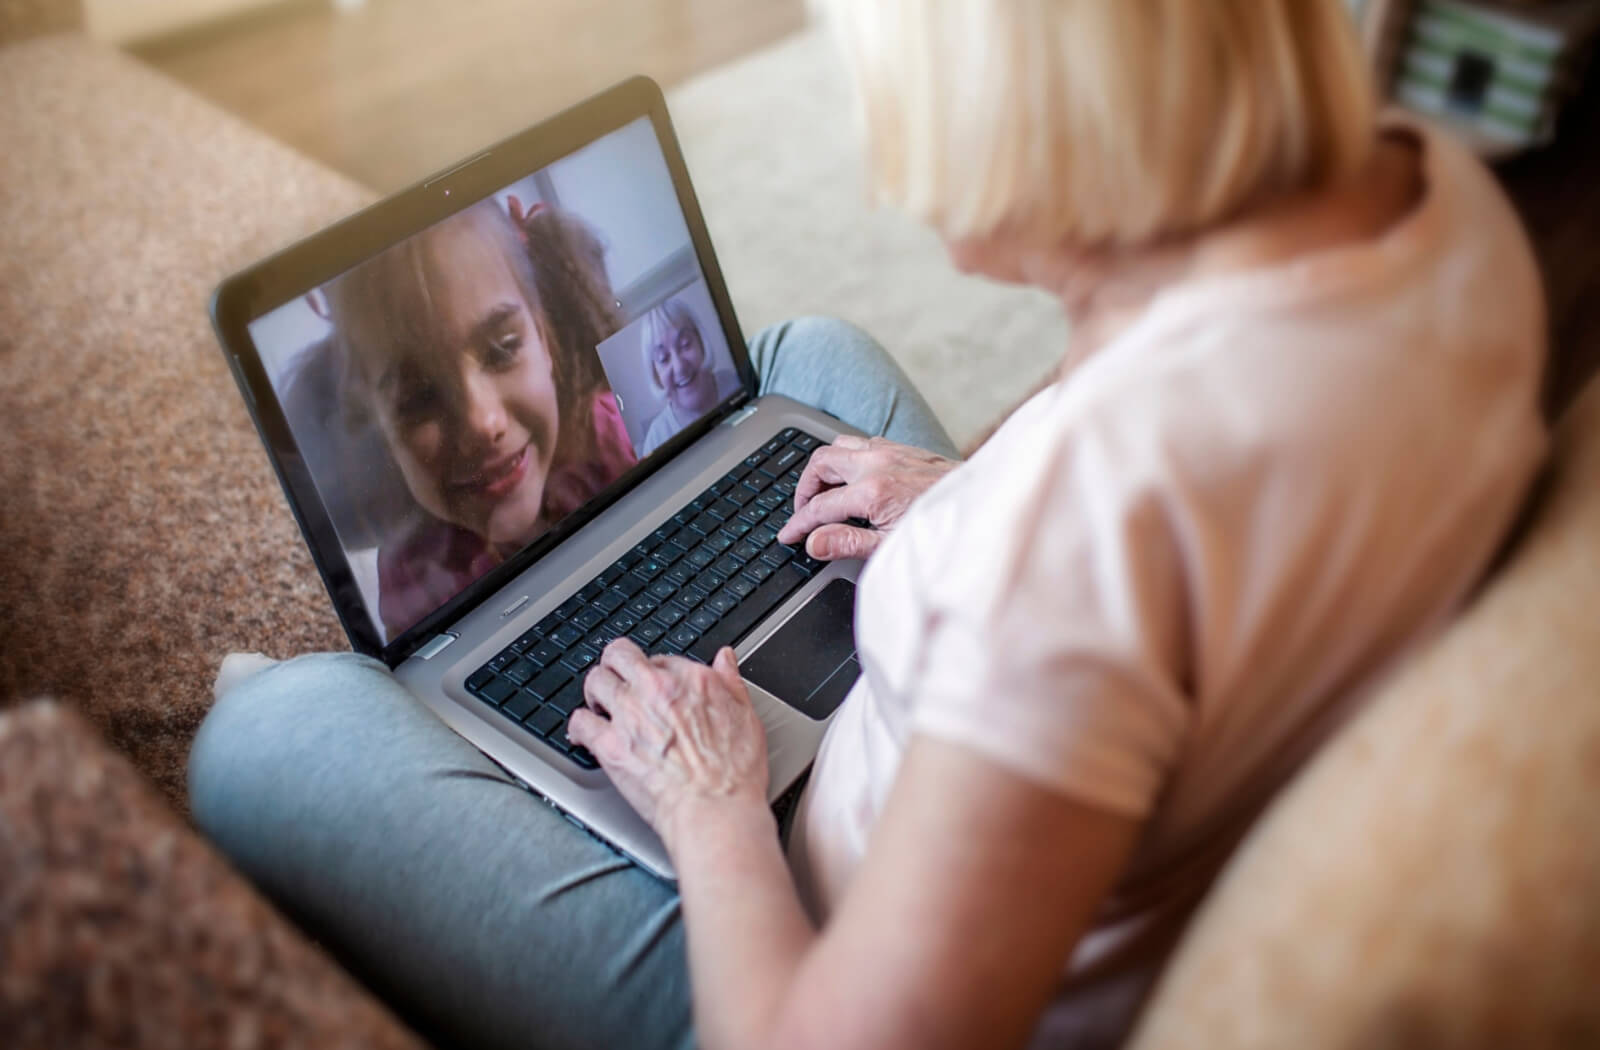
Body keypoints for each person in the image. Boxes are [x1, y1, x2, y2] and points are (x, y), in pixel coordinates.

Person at [188, 2, 1549, 1048]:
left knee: (269, 731)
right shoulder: (1445, 198)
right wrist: (962, 497)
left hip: (788, 938)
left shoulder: (1079, 547)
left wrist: (714, 803)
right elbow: (1143, 430)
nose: (895, 173)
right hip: (972, 739)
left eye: (898, 92)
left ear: (1025, 105)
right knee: (801, 355)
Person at [320, 198, 637, 638]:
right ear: (380, 426)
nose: (482, 423)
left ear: (543, 340)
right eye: (420, 397)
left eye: (503, 349)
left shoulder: (622, 437)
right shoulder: (411, 581)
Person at [635, 295, 741, 456]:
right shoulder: (656, 439)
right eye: (664, 358)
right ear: (655, 374)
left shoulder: (736, 383)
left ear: (700, 341)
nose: (679, 367)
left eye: (685, 344)